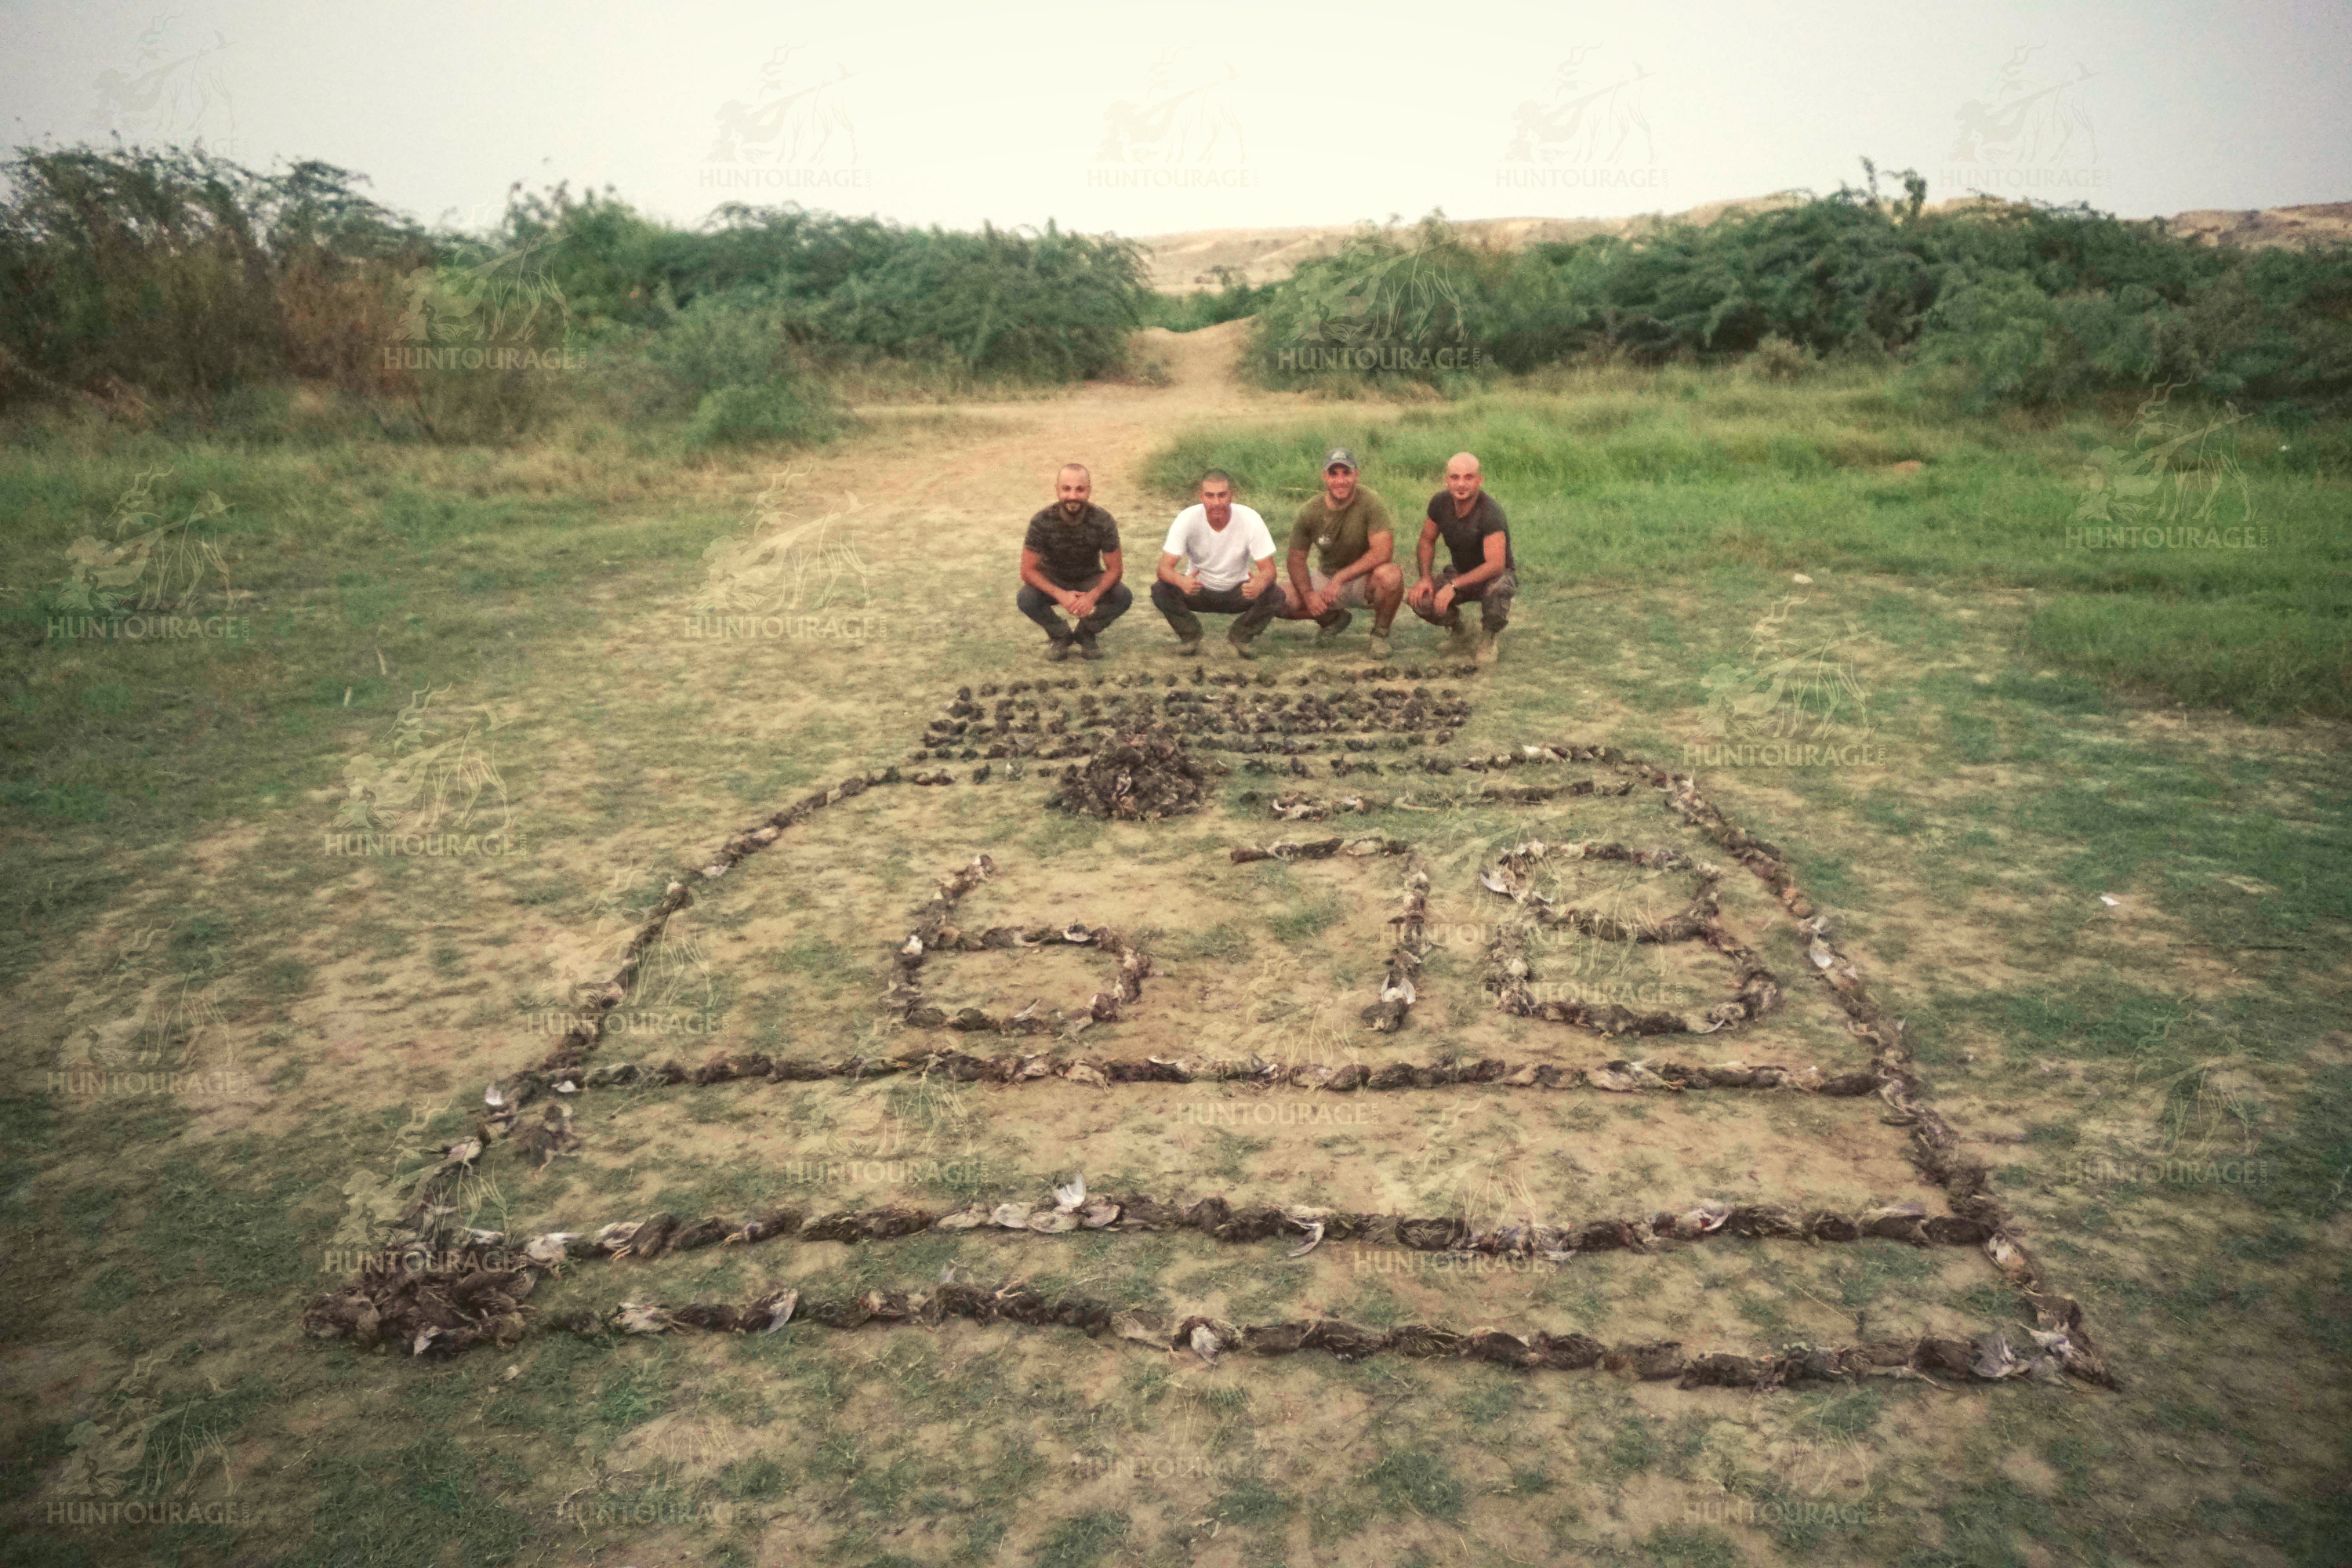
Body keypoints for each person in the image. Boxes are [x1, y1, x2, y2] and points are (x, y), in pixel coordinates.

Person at [1275, 447, 1404, 659]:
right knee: (1279, 600)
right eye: (1333, 474)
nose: (1340, 480)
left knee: (1391, 576)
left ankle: (1380, 635)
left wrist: (1341, 577)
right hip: (1325, 577)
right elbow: (1296, 559)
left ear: (1357, 475)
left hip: (1364, 579)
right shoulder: (1309, 510)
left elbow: (1383, 551)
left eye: (1346, 473)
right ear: (1324, 477)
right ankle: (1333, 620)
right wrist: (1308, 595)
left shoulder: (1371, 501)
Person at [1150, 470, 1285, 659]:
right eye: (1210, 495)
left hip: (1239, 590)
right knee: (1160, 590)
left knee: (1275, 594)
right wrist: (1182, 582)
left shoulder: (1250, 518)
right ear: (1201, 497)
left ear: (1231, 495)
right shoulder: (1186, 518)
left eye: (1222, 495)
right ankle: (1190, 636)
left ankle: (1241, 636)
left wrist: (1259, 583)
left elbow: (1269, 570)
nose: (1216, 502)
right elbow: (1163, 569)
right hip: (1199, 589)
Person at [1406, 451, 1515, 666]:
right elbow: (1427, 541)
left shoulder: (1491, 512)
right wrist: (1425, 578)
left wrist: (1454, 585)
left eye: (1468, 477)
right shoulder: (1439, 503)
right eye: (1455, 477)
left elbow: (1495, 565)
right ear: (1446, 480)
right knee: (1420, 598)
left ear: (1479, 480)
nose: (1461, 484)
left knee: (1499, 587)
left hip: (1494, 576)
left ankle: (1489, 637)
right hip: (1461, 572)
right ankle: (1459, 630)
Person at [1017, 463, 1131, 661]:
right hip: (1053, 578)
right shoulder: (1041, 521)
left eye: (1080, 489)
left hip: (1089, 577)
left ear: (1089, 490)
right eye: (1066, 489)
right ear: (1057, 489)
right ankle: (1060, 636)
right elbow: (1027, 572)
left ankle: (1086, 634)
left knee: (1122, 595)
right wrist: (1061, 595)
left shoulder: (1103, 520)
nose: (1073, 496)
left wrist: (1092, 596)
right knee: (1026, 597)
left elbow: (1115, 570)